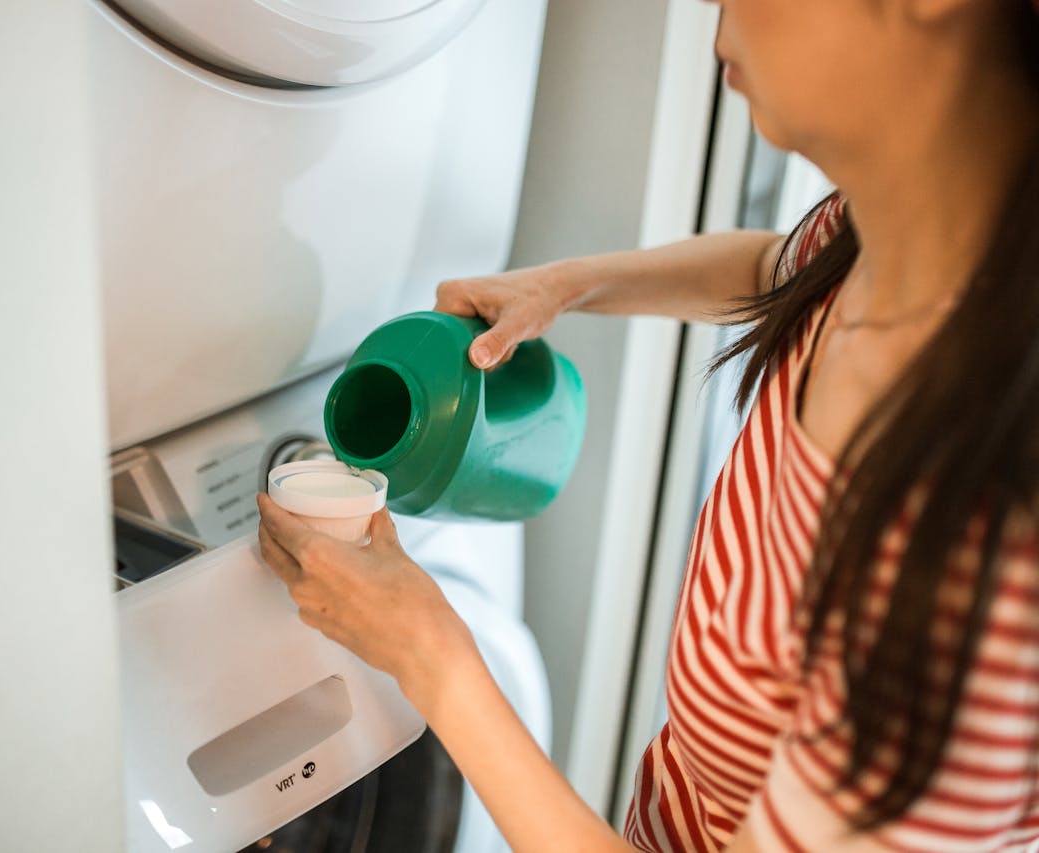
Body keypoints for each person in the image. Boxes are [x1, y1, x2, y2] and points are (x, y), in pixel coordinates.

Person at [257, 0, 1039, 849]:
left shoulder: (979, 547)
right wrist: (571, 284)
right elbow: (774, 268)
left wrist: (429, 652)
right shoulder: (882, 246)